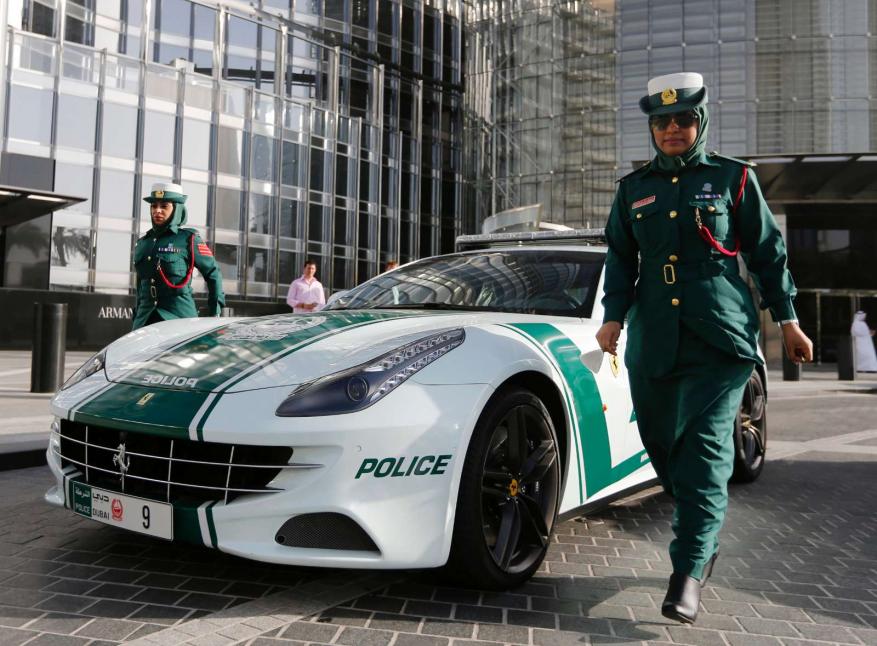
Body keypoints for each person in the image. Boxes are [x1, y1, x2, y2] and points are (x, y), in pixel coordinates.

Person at [595, 72, 813, 624]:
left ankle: (689, 567)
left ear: (701, 122)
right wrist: (614, 318)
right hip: (655, 341)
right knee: (662, 444)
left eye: (683, 119)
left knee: (705, 458)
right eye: (662, 121)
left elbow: (768, 253)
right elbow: (621, 259)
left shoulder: (734, 179)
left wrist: (787, 320)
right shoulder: (633, 189)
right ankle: (700, 527)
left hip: (720, 337)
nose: (673, 128)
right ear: (651, 127)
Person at [133, 182, 225, 330]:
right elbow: (140, 286)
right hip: (145, 320)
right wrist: (136, 316)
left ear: (176, 209)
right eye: (153, 206)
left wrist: (215, 313)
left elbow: (213, 273)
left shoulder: (189, 239)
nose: (157, 211)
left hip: (179, 318)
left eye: (164, 206)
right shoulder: (143, 243)